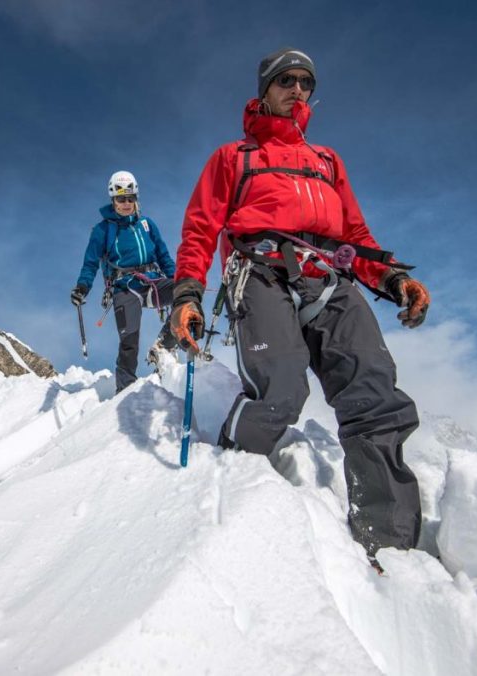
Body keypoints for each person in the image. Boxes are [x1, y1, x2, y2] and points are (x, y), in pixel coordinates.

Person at [168, 48, 431, 568]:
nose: (297, 90)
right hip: (259, 271)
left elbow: (356, 235)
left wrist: (392, 276)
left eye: (306, 82)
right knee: (282, 389)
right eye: (286, 80)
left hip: (329, 277)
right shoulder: (233, 158)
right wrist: (187, 294)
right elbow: (200, 230)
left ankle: (391, 549)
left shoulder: (328, 162)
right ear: (264, 88)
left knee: (374, 392)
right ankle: (233, 478)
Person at [71, 171, 178, 393]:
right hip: (124, 288)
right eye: (121, 199)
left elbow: (164, 256)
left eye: (130, 198)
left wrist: (179, 278)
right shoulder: (103, 230)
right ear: (113, 200)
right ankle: (125, 393)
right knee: (130, 341)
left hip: (152, 282)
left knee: (186, 293)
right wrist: (83, 287)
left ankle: (164, 345)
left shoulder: (147, 224)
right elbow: (90, 263)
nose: (126, 203)